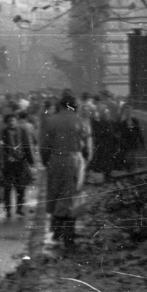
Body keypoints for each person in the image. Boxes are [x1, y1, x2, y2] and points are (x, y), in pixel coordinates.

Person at [39, 92, 92, 251]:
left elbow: (43, 147)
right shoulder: (82, 122)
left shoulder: (50, 121)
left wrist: (46, 162)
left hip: (55, 160)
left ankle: (56, 232)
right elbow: (88, 149)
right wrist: (84, 162)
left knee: (55, 195)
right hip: (75, 160)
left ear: (61, 105)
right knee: (72, 197)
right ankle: (69, 237)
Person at [0, 111, 37, 220]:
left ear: (16, 121)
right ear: (6, 122)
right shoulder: (3, 133)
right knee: (7, 188)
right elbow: (0, 149)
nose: (12, 123)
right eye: (9, 121)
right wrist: (3, 161)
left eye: (13, 120)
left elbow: (27, 146)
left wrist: (31, 162)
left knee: (21, 187)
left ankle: (19, 209)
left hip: (21, 163)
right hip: (8, 165)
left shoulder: (22, 131)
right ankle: (8, 210)